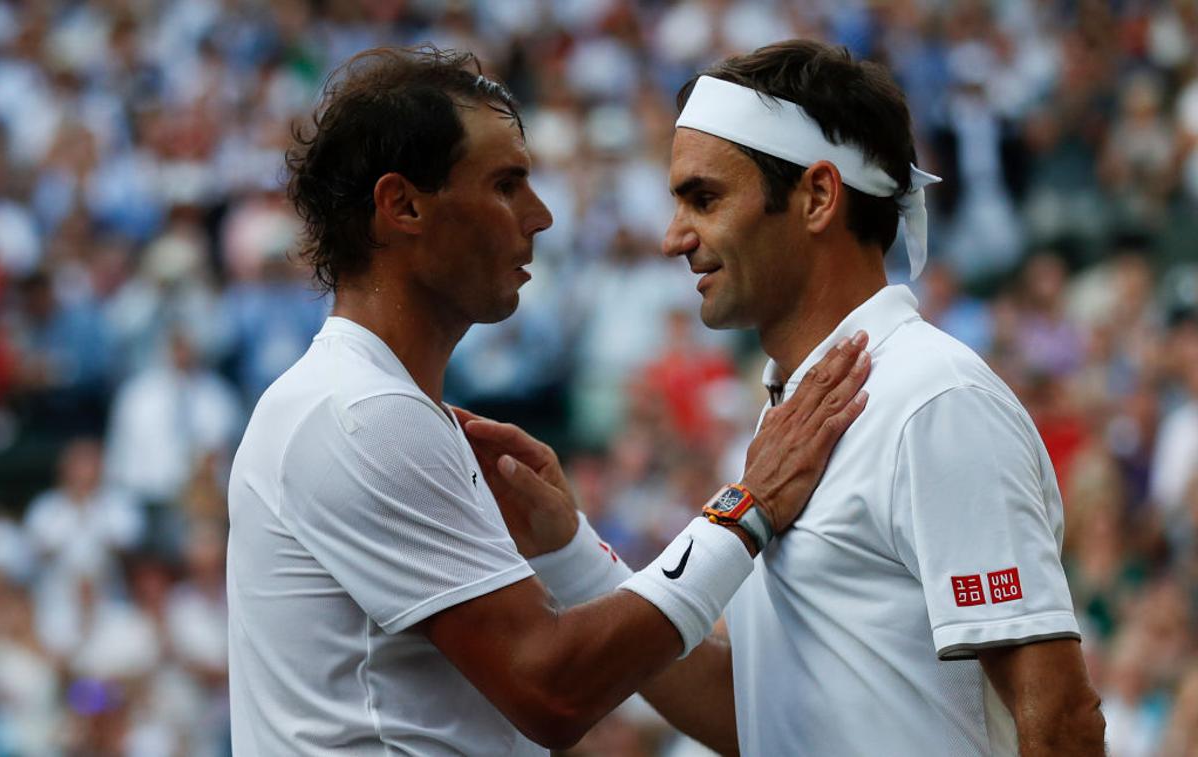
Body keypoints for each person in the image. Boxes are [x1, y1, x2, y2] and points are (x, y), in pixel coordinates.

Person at [464, 40, 1107, 755]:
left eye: (703, 198)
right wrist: (574, 551)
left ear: (818, 198)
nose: (674, 237)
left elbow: (1060, 717)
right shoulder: (799, 412)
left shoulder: (933, 399)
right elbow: (760, 715)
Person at [225, 46, 872, 755]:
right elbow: (553, 690)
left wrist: (569, 548)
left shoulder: (369, 404)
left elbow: (731, 713)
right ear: (402, 205)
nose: (539, 217)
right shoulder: (360, 413)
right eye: (506, 185)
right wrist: (745, 508)